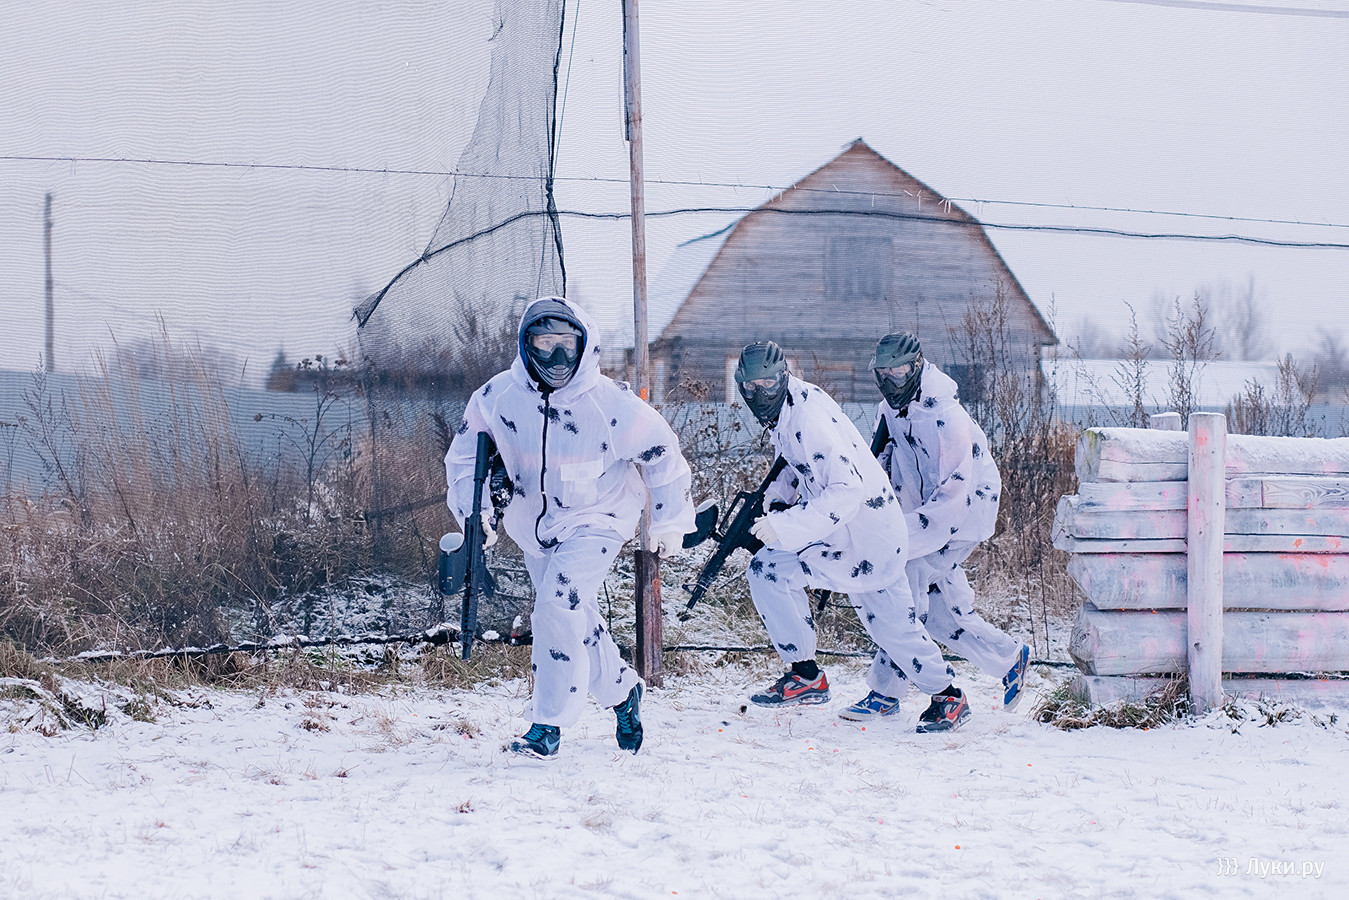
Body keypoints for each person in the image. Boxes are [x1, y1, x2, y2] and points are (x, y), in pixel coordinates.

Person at [445, 296, 696, 759]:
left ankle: (547, 724)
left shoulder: (609, 403)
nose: (558, 356)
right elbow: (463, 459)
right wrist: (477, 513)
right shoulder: (497, 397)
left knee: (555, 606)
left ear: (585, 345)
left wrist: (672, 519)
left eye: (567, 343)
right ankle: (622, 691)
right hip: (534, 528)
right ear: (527, 344)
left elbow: (663, 452)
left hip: (598, 519)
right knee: (575, 616)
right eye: (545, 343)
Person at [735, 341, 973, 733]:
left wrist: (788, 526)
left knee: (894, 630)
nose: (760, 393)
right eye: (751, 386)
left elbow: (847, 489)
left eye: (768, 384)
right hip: (835, 533)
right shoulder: (788, 408)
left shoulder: (807, 418)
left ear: (784, 377)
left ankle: (949, 697)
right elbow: (796, 465)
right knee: (767, 571)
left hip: (869, 539)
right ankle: (805, 675)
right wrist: (778, 502)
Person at [846, 331, 1030, 723]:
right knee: (939, 610)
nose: (891, 381)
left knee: (905, 592)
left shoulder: (947, 418)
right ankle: (1007, 656)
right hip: (918, 515)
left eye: (899, 372)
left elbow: (953, 496)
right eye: (883, 374)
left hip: (961, 518)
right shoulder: (891, 409)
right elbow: (882, 463)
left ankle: (886, 692)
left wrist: (903, 536)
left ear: (917, 367)